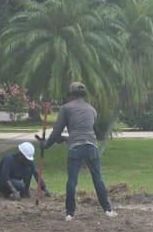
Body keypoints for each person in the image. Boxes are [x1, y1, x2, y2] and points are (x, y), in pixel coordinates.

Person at [42, 82, 114, 220]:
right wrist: (65, 139)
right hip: (92, 146)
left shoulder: (66, 108)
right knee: (97, 178)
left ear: (71, 95)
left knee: (72, 180)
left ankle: (70, 213)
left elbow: (57, 131)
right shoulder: (92, 109)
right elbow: (84, 131)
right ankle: (108, 209)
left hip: (75, 147)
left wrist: (46, 145)